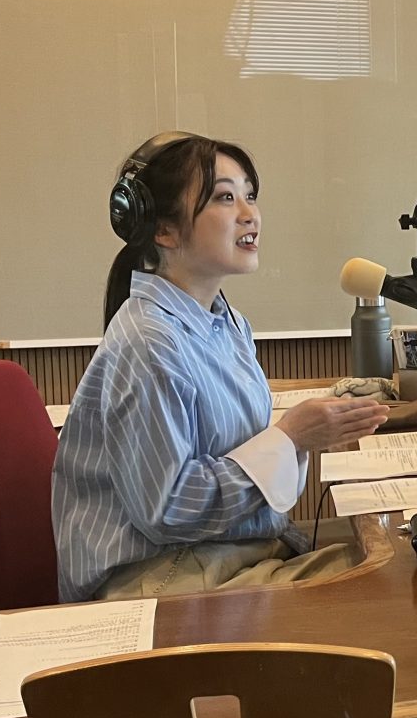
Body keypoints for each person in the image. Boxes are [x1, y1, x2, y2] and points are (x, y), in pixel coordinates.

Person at [53, 132, 389, 603]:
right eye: (225, 198)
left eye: (250, 195)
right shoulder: (150, 342)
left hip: (220, 555)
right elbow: (167, 510)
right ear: (164, 230)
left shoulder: (223, 321)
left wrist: (313, 425)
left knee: (395, 565)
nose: (250, 214)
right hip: (160, 578)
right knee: (385, 593)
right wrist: (291, 438)